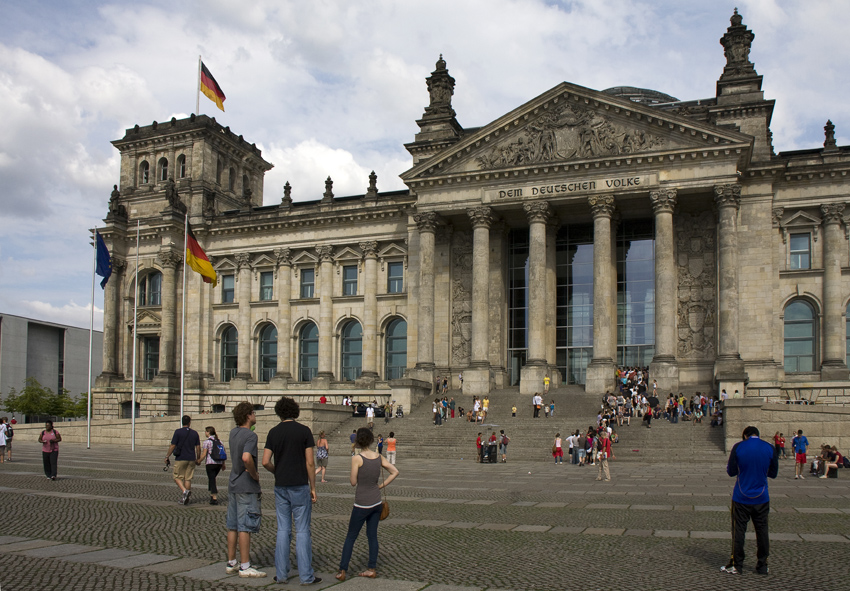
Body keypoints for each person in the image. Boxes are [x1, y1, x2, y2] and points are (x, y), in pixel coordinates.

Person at [262, 397, 321, 585]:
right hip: (300, 484)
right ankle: (306, 576)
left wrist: (276, 470)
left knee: (283, 529)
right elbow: (310, 462)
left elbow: (264, 461)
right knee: (303, 530)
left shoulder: (273, 432)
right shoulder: (304, 431)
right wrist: (313, 487)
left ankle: (281, 575)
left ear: (279, 412)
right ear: (295, 411)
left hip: (281, 485)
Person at [335, 427, 399, 581]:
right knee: (372, 537)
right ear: (371, 440)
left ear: (358, 441)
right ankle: (372, 568)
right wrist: (381, 486)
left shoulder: (357, 458)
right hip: (376, 502)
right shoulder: (378, 457)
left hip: (361, 504)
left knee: (351, 537)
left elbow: (353, 482)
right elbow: (395, 471)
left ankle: (343, 570)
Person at [722, 426, 778, 575]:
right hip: (761, 497)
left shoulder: (739, 447)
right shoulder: (769, 447)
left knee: (739, 531)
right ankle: (762, 565)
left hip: (741, 496)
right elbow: (773, 473)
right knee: (762, 531)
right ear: (757, 435)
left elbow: (731, 471)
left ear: (745, 436)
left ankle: (737, 565)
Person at [225, 402, 266, 579]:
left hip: (233, 483)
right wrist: (254, 474)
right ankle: (245, 566)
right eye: (253, 412)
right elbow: (246, 457)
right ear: (248, 416)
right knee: (245, 526)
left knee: (232, 525)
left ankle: (231, 562)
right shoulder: (251, 435)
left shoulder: (233, 433)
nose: (255, 415)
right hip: (246, 485)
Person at [165, 415, 201, 505]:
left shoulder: (178, 432)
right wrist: (198, 458)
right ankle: (186, 498)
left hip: (181, 458)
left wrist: (167, 456)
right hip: (191, 458)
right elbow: (198, 447)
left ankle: (185, 491)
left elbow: (173, 445)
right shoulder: (194, 433)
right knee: (187, 478)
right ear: (189, 423)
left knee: (176, 477)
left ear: (182, 422)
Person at [198, 426, 226, 505]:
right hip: (219, 464)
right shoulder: (220, 441)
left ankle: (214, 497)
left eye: (206, 431)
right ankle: (211, 495)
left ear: (208, 432)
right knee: (212, 478)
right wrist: (223, 464)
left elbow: (204, 454)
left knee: (212, 479)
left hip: (210, 463)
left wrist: (198, 461)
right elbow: (223, 452)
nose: (205, 433)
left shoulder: (207, 442)